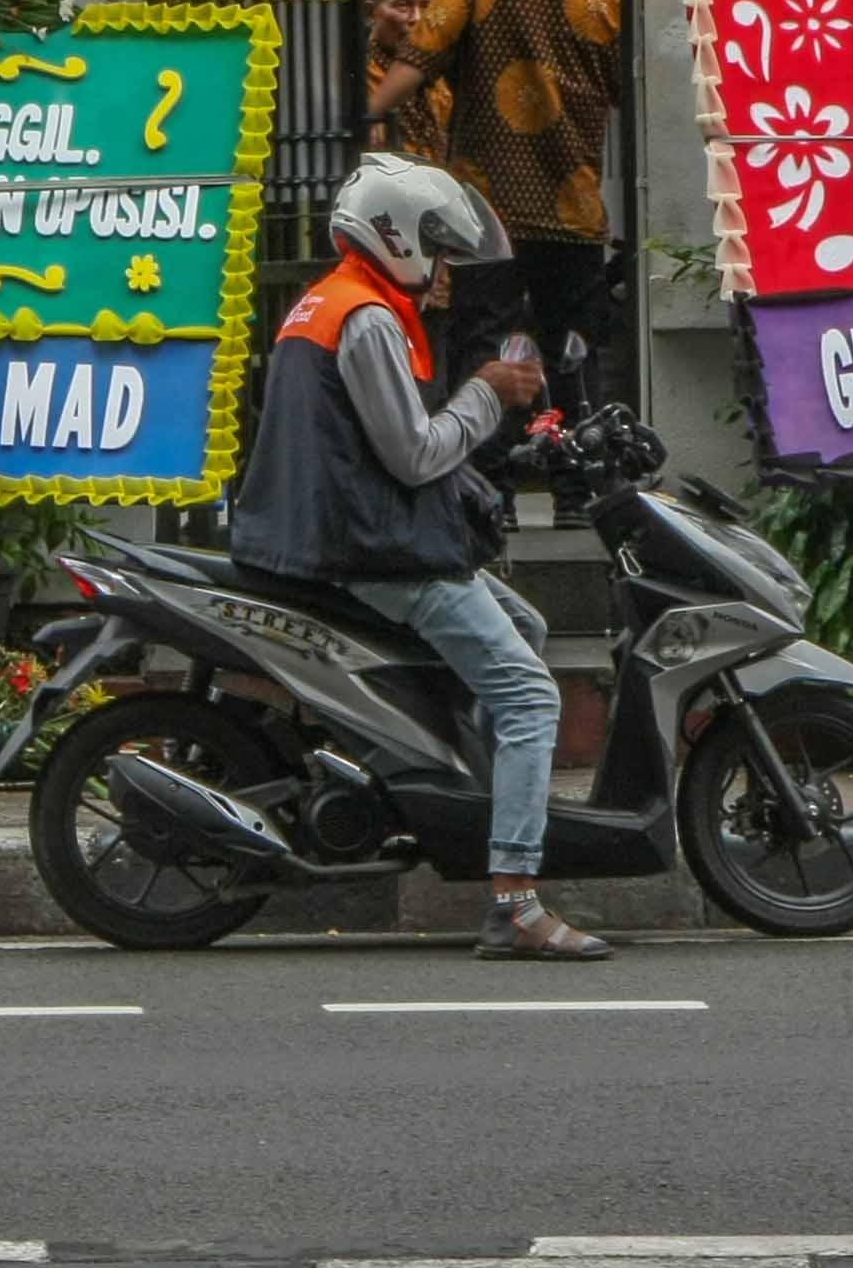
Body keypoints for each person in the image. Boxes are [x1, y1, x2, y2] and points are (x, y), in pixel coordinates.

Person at [227, 155, 612, 962]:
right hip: (380, 553)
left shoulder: (335, 304)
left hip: (347, 535)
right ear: (395, 238)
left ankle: (458, 804)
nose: (444, 274)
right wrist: (489, 391)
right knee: (533, 699)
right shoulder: (364, 317)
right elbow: (411, 454)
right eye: (436, 253)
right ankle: (513, 901)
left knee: (525, 625)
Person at [368, 0, 624, 415]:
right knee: (573, 350)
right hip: (573, 210)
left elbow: (418, 57)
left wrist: (361, 114)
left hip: (485, 214)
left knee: (479, 345)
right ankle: (581, 487)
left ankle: (487, 489)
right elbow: (632, 87)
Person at [363, 0, 454, 167]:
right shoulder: (357, 75)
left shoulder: (437, 79)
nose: (417, 18)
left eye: (427, 7)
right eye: (403, 5)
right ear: (370, 12)